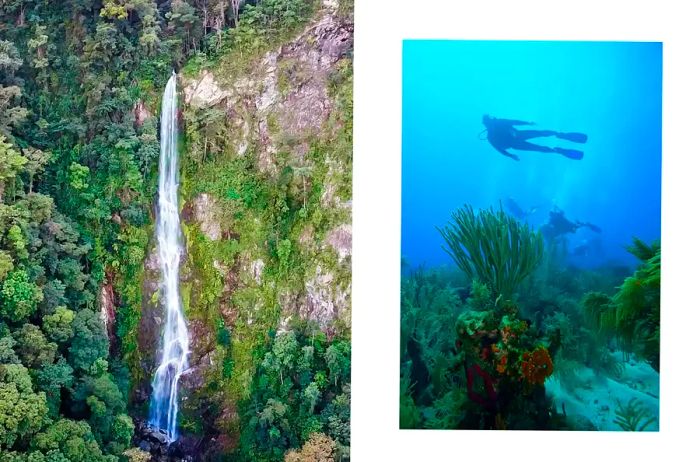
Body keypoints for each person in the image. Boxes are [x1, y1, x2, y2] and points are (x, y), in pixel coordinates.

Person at [481, 114, 588, 161]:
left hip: (516, 144)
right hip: (518, 136)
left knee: (538, 147)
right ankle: (559, 135)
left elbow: (499, 150)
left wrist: (510, 155)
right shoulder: (498, 122)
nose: (493, 117)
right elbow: (514, 122)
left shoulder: (490, 136)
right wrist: (528, 123)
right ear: (489, 119)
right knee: (540, 133)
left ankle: (557, 150)